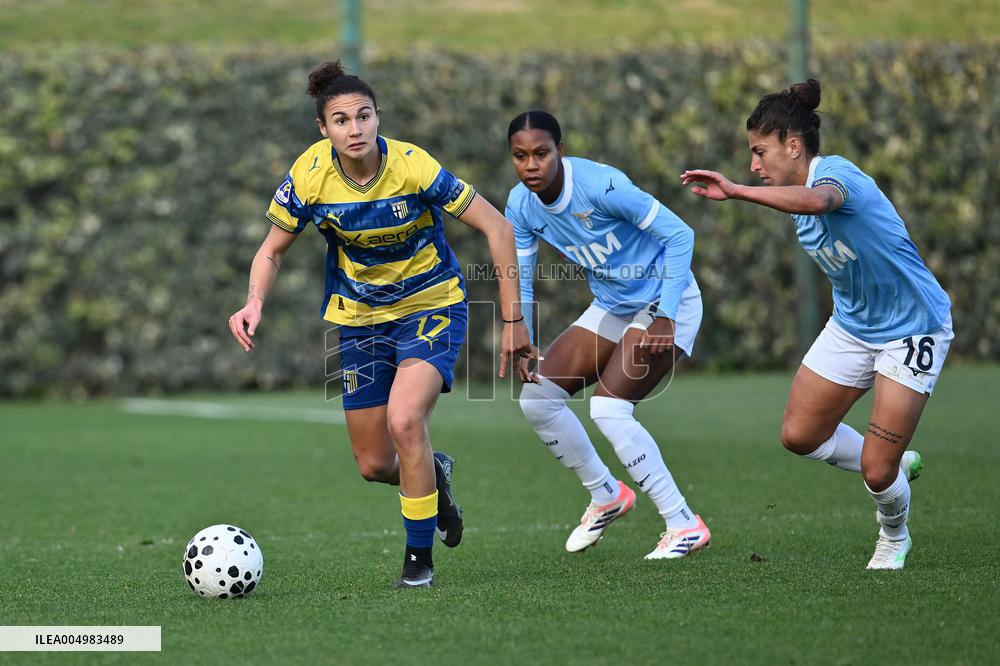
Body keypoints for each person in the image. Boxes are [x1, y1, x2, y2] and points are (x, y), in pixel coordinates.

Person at [228, 60, 533, 588]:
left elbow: (498, 228)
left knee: (405, 421)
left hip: (431, 306)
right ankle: (434, 473)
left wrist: (513, 320)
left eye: (364, 116)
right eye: (341, 120)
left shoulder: (413, 166)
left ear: (378, 117)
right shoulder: (309, 175)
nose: (355, 129)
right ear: (323, 129)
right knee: (373, 464)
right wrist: (253, 301)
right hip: (359, 321)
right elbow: (271, 250)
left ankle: (418, 565)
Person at [681, 79, 952, 570]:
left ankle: (894, 535)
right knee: (800, 435)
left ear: (793, 145)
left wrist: (737, 192)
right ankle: (896, 463)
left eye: (760, 152)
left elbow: (821, 202)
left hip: (913, 328)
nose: (753, 165)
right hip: (853, 327)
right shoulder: (792, 199)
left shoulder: (835, 174)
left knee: (876, 471)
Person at [506, 111, 711, 560]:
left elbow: (681, 236)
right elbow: (521, 276)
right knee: (537, 399)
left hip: (667, 299)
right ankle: (607, 495)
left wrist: (666, 316)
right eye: (520, 156)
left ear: (560, 151)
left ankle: (683, 524)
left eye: (541, 153)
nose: (531, 165)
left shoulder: (602, 186)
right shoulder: (520, 205)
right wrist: (524, 337)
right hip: (614, 305)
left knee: (609, 408)